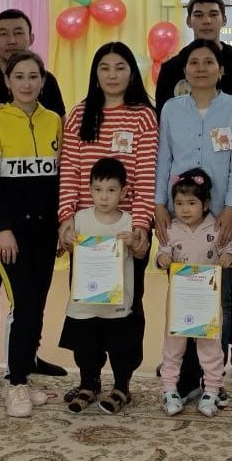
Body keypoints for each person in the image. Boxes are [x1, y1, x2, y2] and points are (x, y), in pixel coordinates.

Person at [155, 0, 232, 381]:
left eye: (212, 14)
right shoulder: (171, 101)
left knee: (228, 290)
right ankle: (184, 364)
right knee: (186, 287)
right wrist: (158, 204)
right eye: (197, 14)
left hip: (223, 213)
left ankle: (228, 358)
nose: (200, 68)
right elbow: (163, 156)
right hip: (181, 213)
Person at [0, 10, 67, 391]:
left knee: (34, 298)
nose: (10, 39)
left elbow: (60, 162)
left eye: (18, 32)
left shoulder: (52, 112)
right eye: (2, 33)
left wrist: (62, 220)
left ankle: (27, 356)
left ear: (31, 37)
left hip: (43, 223)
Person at [56, 43, 158, 363]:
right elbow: (70, 171)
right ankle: (89, 378)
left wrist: (141, 225)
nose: (112, 75)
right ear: (95, 74)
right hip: (86, 228)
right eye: (105, 68)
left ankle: (123, 380)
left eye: (120, 67)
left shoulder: (144, 116)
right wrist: (66, 217)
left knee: (126, 304)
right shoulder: (79, 114)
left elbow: (146, 175)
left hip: (126, 228)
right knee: (87, 302)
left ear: (132, 74)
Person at [0, 50, 63, 417]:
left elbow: (60, 178)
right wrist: (3, 229)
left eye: (33, 76)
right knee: (23, 303)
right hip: (10, 232)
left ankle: (24, 376)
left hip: (46, 230)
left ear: (42, 81)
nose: (27, 83)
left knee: (37, 305)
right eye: (19, 77)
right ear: (8, 81)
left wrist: (62, 224)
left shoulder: (54, 120)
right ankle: (14, 383)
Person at [59, 158, 145, 415]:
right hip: (85, 302)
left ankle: (121, 387)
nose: (104, 197)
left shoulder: (129, 221)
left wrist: (133, 243)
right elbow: (66, 247)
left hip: (117, 304)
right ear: (89, 190)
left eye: (111, 190)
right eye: (97, 189)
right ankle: (88, 385)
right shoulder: (80, 219)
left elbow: (141, 254)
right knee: (85, 346)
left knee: (121, 347)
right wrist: (68, 240)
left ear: (124, 192)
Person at [157, 169, 232, 417]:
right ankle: (169, 389)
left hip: (208, 301)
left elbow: (231, 250)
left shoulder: (216, 227)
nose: (184, 209)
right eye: (179, 203)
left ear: (205, 204)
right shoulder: (171, 229)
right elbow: (161, 252)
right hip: (179, 301)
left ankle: (212, 389)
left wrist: (227, 257)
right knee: (173, 346)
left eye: (191, 203)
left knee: (210, 346)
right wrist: (163, 259)